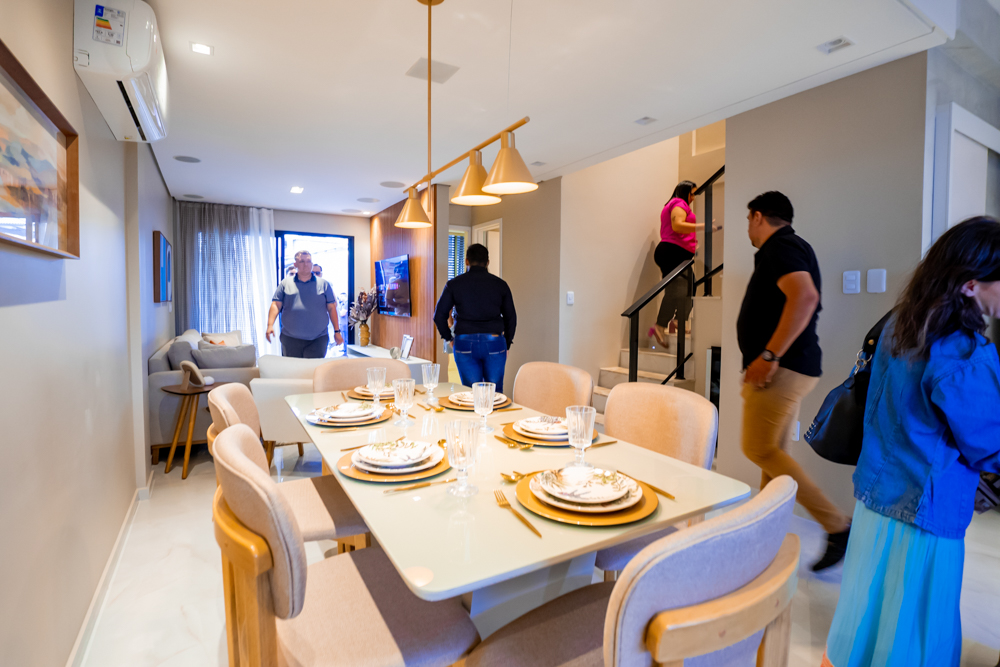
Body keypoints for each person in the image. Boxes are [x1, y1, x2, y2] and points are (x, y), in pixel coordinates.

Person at [823, 217, 1000, 667]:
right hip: (926, 510)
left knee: (866, 615)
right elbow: (990, 445)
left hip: (877, 496)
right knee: (916, 628)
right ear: (970, 285)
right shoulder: (965, 354)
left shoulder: (898, 325)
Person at [736, 191, 851, 571]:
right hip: (793, 367)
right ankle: (765, 534)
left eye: (748, 220)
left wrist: (769, 356)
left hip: (782, 369)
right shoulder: (790, 247)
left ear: (758, 216)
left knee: (758, 449)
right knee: (772, 456)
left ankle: (837, 525)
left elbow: (804, 297)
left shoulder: (780, 247)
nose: (748, 229)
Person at [433, 243, 516, 392]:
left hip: (464, 342)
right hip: (494, 342)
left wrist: (449, 338)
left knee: (471, 393)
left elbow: (439, 315)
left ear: (466, 261)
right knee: (495, 393)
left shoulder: (454, 284)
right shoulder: (501, 285)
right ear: (488, 262)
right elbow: (511, 318)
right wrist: (507, 343)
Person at [653, 180, 720, 348]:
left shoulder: (679, 205)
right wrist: (704, 227)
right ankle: (660, 326)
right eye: (692, 194)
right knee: (677, 290)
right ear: (684, 192)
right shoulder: (678, 203)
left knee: (690, 287)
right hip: (671, 253)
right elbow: (677, 226)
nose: (693, 198)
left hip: (678, 254)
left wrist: (691, 244)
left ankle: (679, 321)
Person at [266, 250, 343, 358]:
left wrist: (337, 331)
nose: (306, 264)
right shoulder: (285, 283)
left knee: (314, 368)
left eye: (308, 261)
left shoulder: (324, 284)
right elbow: (276, 305)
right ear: (295, 264)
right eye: (302, 261)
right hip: (290, 339)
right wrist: (270, 325)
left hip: (318, 339)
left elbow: (331, 308)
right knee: (292, 368)